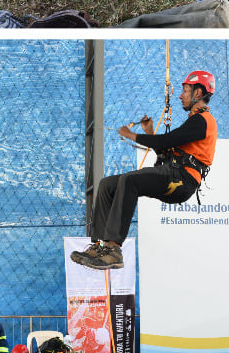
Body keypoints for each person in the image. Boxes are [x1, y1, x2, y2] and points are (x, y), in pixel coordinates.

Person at [72, 70, 219, 270]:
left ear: (198, 93)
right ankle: (99, 245)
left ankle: (113, 249)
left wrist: (132, 135)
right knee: (107, 185)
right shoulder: (195, 121)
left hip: (182, 180)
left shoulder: (204, 121)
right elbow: (167, 148)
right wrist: (149, 132)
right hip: (173, 174)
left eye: (185, 90)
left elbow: (167, 140)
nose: (180, 95)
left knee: (130, 181)